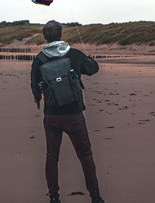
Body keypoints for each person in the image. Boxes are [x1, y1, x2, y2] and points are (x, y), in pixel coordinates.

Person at [31, 20, 105, 203]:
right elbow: (93, 69)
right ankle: (95, 197)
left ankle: (54, 197)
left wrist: (39, 97)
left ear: (45, 35)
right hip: (74, 115)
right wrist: (87, 59)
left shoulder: (39, 59)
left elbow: (34, 88)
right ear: (61, 34)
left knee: (52, 157)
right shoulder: (74, 54)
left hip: (52, 116)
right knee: (86, 156)